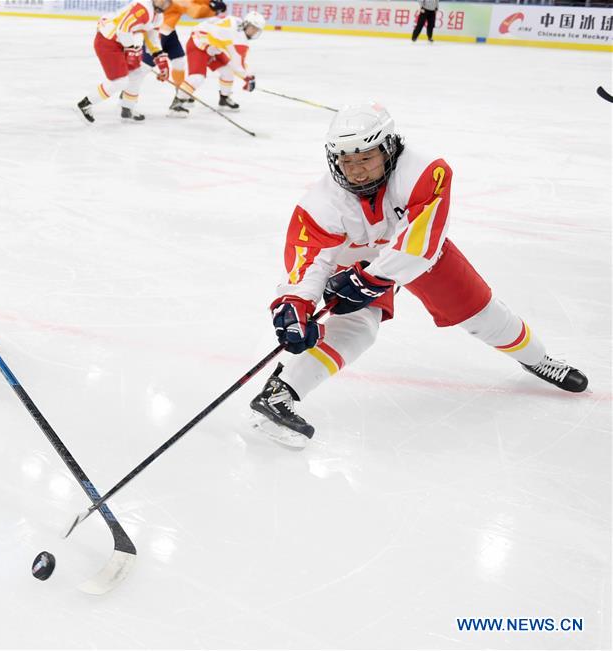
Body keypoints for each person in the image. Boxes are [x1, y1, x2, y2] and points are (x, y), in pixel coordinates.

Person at [249, 103, 588, 449]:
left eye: (365, 158)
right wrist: (295, 302)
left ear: (388, 147)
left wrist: (372, 278)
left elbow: (418, 243)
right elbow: (307, 260)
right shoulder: (320, 203)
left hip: (417, 249)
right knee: (358, 328)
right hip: (357, 256)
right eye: (347, 162)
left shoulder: (425, 171)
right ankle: (282, 391)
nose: (356, 172)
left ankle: (537, 359)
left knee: (482, 313)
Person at [77, 0, 173, 123]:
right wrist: (130, 49)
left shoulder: (158, 17)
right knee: (119, 82)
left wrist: (162, 62)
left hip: (121, 42)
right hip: (107, 41)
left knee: (137, 73)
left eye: (168, 2)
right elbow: (123, 29)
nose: (164, 5)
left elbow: (152, 39)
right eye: (162, 1)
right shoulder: (143, 9)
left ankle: (127, 108)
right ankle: (84, 104)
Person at [140, 0, 224, 116]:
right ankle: (128, 92)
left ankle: (180, 94)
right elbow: (194, 11)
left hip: (169, 32)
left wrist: (211, 3)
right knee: (145, 67)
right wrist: (212, 9)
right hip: (157, 33)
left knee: (179, 61)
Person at [172, 11, 264, 114]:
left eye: (257, 30)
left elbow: (235, 63)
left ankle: (224, 99)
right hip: (198, 44)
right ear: (246, 24)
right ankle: (177, 102)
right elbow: (238, 65)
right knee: (197, 77)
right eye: (253, 28)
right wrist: (248, 78)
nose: (254, 32)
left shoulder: (237, 21)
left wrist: (248, 77)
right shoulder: (240, 39)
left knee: (228, 72)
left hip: (212, 46)